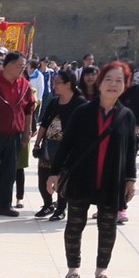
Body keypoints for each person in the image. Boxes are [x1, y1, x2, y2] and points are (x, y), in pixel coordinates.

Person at [47, 62, 137, 278]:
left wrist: (131, 179)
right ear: (100, 83)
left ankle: (101, 269)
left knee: (107, 226)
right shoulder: (83, 112)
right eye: (109, 79)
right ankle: (73, 267)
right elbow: (66, 144)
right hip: (82, 177)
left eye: (119, 81)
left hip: (111, 179)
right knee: (75, 224)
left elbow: (130, 151)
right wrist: (54, 173)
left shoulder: (127, 116)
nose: (113, 85)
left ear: (125, 85)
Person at [0, 50, 36, 217]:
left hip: (14, 136)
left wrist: (26, 132)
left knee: (10, 172)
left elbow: (29, 110)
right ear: (9, 65)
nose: (23, 69)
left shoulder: (25, 85)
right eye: (21, 66)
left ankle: (5, 205)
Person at [33, 69, 84, 220]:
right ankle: (47, 204)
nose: (54, 85)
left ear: (68, 84)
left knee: (62, 180)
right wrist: (37, 144)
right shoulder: (54, 102)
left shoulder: (80, 103)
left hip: (67, 150)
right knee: (43, 179)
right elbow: (44, 124)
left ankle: (61, 209)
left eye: (57, 83)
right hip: (48, 147)